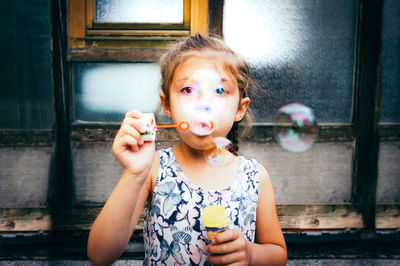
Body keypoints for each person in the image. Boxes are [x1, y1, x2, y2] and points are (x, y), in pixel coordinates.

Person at [87, 34, 287, 266]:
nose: (203, 104)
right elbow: (100, 256)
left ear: (240, 109)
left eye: (220, 91)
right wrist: (134, 173)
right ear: (167, 105)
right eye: (188, 89)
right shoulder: (153, 168)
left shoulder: (255, 176)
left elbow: (277, 254)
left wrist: (251, 254)